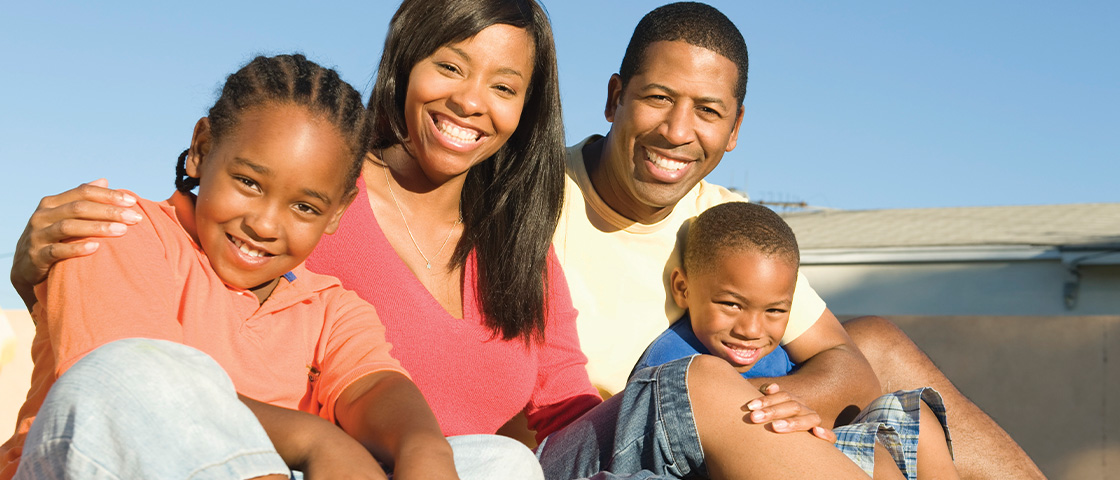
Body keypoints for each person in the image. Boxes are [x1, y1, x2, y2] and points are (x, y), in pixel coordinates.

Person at [2, 1, 952, 479]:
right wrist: (32, 258)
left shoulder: (501, 242)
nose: (471, 101)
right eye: (450, 66)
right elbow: (124, 372)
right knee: (139, 379)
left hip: (503, 456)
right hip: (221, 449)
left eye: (504, 86)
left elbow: (500, 396)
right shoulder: (308, 198)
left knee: (893, 386)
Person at [549, 3, 1045, 479]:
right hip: (582, 449)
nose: (678, 131)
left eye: (707, 110)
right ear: (616, 98)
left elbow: (851, 364)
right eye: (658, 97)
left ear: (734, 127)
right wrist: (740, 405)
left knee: (876, 342)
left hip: (711, 428)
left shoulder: (720, 219)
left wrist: (775, 401)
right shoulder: (534, 199)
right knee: (705, 382)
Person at [1, 54, 546, 480]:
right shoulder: (122, 228)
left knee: (501, 462)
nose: (265, 223)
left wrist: (422, 447)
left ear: (337, 215)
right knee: (137, 373)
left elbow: (370, 386)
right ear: (201, 148)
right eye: (249, 183)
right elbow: (130, 392)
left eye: (305, 207)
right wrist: (317, 439)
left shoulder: (329, 305)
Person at [633, 201, 958, 480]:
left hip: (814, 439)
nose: (751, 329)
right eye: (731, 304)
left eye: (774, 310)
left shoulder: (781, 352)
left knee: (915, 415)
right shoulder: (672, 362)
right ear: (683, 289)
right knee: (872, 458)